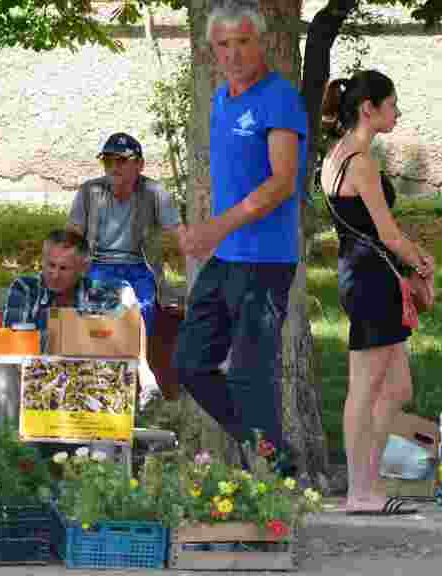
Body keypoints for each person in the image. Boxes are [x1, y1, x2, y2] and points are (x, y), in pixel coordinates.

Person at [172, 0, 308, 468]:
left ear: (262, 42)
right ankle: (271, 453)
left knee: (252, 374)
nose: (233, 53)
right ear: (213, 50)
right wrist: (209, 232)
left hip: (267, 259)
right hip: (227, 257)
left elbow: (281, 181)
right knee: (189, 363)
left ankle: (270, 473)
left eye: (243, 42)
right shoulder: (220, 100)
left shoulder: (280, 97)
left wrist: (214, 228)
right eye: (223, 45)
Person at [318, 69, 435, 514]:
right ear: (369, 108)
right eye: (391, 104)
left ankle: (369, 481)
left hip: (364, 274)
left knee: (398, 387)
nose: (397, 112)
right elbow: (387, 233)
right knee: (365, 389)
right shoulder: (360, 161)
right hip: (373, 279)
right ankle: (359, 492)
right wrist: (421, 261)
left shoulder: (337, 156)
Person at [0, 230, 138, 431]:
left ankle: (105, 461)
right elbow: (13, 342)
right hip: (34, 378)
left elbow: (122, 339)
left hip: (88, 381)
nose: (55, 274)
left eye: (64, 268)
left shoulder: (104, 296)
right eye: (50, 265)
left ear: (83, 268)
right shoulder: (26, 289)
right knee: (4, 372)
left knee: (113, 380)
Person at [67, 133, 184, 337]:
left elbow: (178, 233)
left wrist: (200, 261)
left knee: (143, 308)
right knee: (96, 316)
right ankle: (98, 362)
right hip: (97, 265)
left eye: (121, 160)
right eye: (107, 161)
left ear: (140, 164)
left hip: (140, 267)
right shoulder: (89, 191)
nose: (113, 167)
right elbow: (71, 235)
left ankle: (138, 361)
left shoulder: (154, 192)